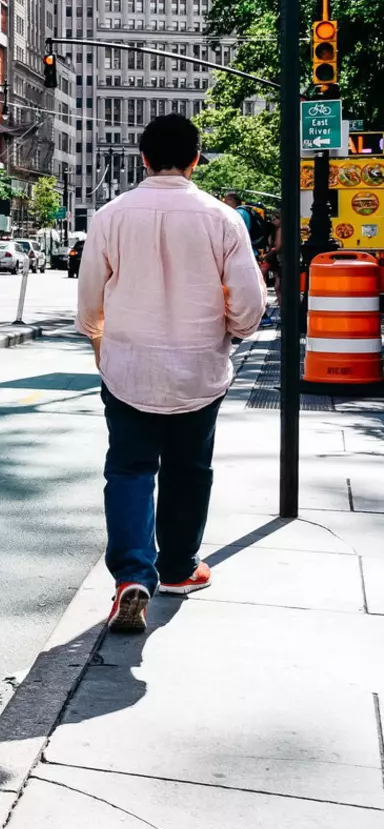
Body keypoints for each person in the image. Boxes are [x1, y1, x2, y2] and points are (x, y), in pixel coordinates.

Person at [77, 114, 265, 634]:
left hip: (128, 365)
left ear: (142, 159)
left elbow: (90, 296)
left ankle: (132, 576)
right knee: (189, 469)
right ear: (196, 159)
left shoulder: (111, 216)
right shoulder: (223, 220)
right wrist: (232, 331)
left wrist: (98, 339)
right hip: (198, 367)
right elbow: (249, 304)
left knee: (130, 470)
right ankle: (179, 568)